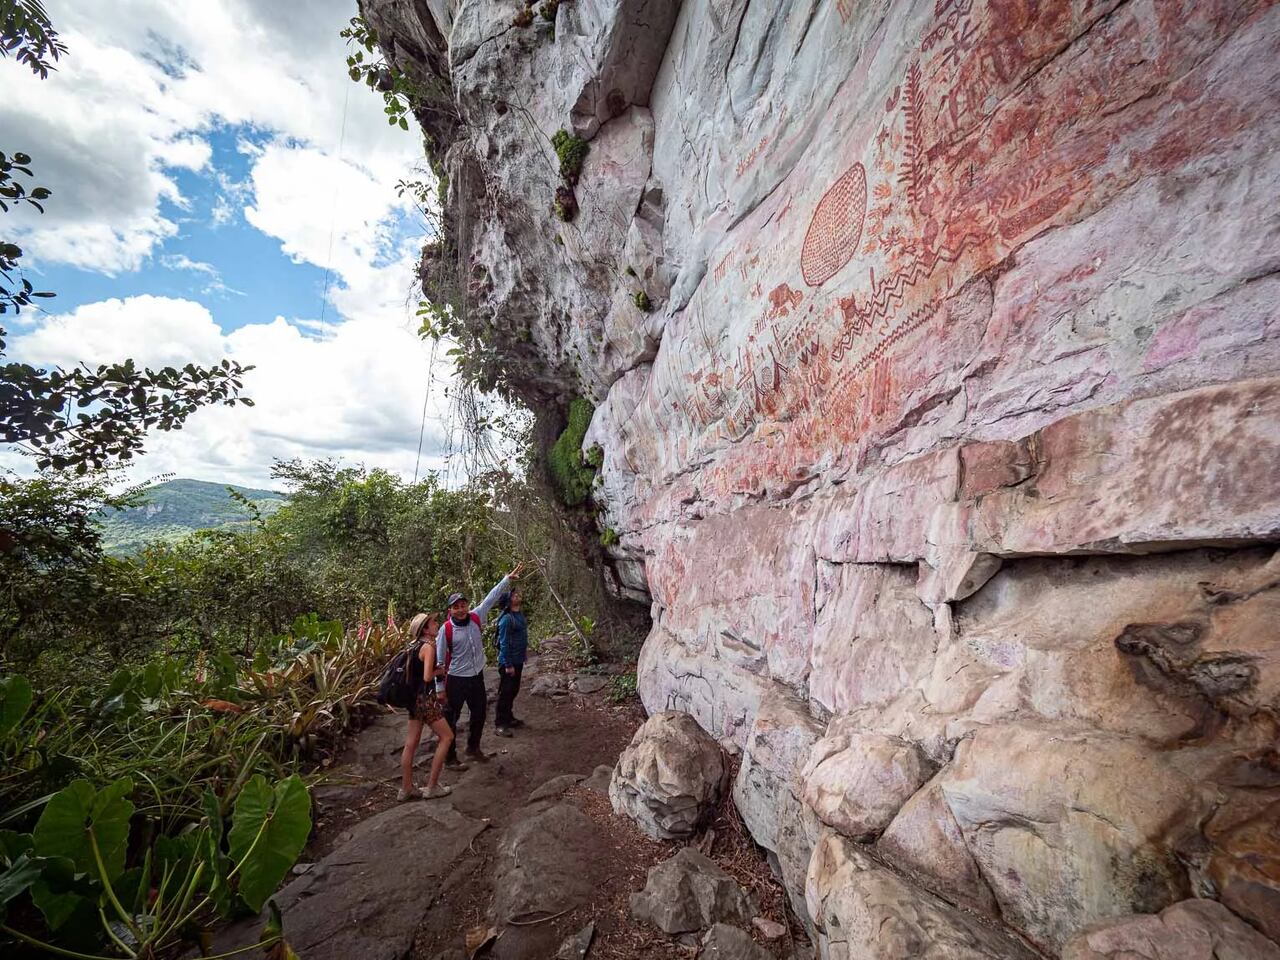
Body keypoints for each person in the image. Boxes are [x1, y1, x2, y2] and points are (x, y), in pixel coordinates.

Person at [435, 562, 525, 766]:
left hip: (476, 676)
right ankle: (450, 758)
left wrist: (506, 580)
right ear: (450, 610)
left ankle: (473, 748)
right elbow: (439, 660)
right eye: (456, 607)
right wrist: (439, 688)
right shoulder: (445, 630)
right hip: (456, 679)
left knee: (479, 713)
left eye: (463, 605)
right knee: (452, 718)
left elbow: (491, 598)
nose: (460, 610)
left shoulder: (476, 617)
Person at [397, 611, 453, 801]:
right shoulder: (428, 647)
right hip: (425, 700)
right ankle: (432, 786)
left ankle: (405, 788)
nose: (437, 625)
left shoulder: (413, 646)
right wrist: (440, 670)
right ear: (426, 630)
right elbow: (428, 676)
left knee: (411, 744)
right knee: (447, 737)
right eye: (433, 623)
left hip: (413, 701)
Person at [493, 589, 528, 737]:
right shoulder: (507, 619)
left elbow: (521, 636)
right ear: (508, 601)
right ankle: (500, 724)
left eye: (517, 594)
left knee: (513, 690)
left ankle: (509, 717)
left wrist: (523, 655)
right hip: (509, 662)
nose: (517, 596)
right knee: (506, 692)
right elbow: (504, 643)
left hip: (518, 659)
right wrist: (508, 665)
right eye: (513, 595)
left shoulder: (518, 615)